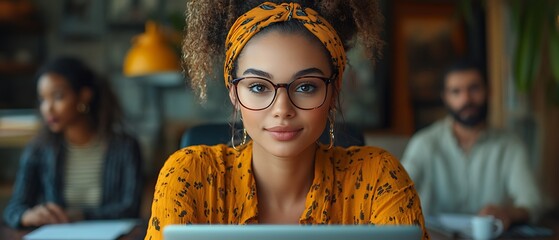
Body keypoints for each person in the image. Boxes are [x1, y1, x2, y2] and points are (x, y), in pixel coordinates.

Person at [145, 1, 428, 240]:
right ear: (233, 92)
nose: (282, 109)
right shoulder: (188, 175)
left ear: (334, 89)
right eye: (258, 87)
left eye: (306, 86)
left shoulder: (379, 177)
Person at [3, 57, 144, 229]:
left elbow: (130, 208)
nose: (48, 108)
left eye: (58, 97)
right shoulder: (39, 148)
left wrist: (81, 215)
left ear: (84, 96)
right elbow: (14, 208)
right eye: (42, 100)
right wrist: (27, 215)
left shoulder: (125, 146)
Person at [401, 59, 542, 229]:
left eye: (474, 88)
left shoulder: (510, 145)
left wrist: (507, 213)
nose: (466, 99)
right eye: (456, 91)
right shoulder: (424, 143)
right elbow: (397, 193)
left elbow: (532, 203)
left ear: (489, 91)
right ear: (445, 98)